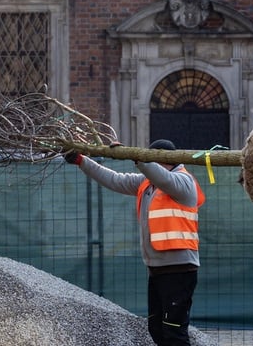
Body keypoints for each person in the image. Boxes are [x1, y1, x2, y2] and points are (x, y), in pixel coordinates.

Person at [65, 139, 205, 346]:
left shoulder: (184, 182)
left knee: (174, 331)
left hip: (180, 268)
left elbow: (164, 178)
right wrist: (81, 160)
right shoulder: (147, 182)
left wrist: (136, 157)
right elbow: (114, 179)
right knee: (156, 328)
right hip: (156, 269)